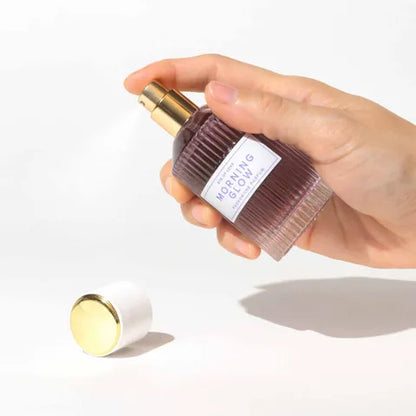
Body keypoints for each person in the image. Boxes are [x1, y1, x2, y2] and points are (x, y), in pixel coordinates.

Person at [124, 54, 416, 269]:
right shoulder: (185, 156)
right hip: (321, 215)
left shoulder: (221, 114)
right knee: (197, 200)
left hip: (317, 190)